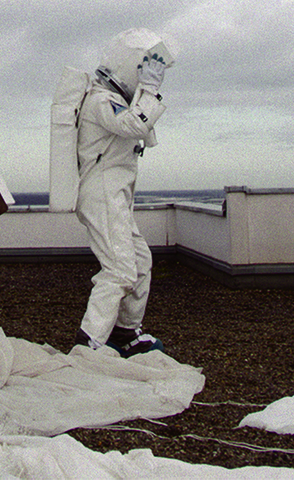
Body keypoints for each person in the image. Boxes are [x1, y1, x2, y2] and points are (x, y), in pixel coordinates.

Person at [73, 29, 176, 358]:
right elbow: (133, 126)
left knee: (140, 261)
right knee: (119, 269)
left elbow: (141, 129)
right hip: (102, 195)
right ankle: (89, 342)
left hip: (114, 195)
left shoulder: (115, 100)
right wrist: (149, 89)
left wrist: (146, 92)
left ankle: (125, 333)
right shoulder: (100, 100)